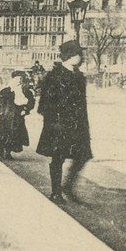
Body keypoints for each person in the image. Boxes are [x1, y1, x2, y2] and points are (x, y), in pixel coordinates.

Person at [36, 40, 91, 204]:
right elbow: (44, 103)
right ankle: (56, 192)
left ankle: (67, 186)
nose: (81, 57)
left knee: (83, 156)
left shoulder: (79, 76)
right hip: (59, 124)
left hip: (78, 124)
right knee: (58, 158)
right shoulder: (54, 75)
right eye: (78, 54)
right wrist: (54, 121)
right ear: (70, 56)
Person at [0, 71, 35, 160]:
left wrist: (26, 110)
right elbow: (0, 101)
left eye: (21, 80)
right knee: (3, 133)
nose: (19, 81)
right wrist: (1, 110)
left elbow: (31, 102)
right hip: (6, 116)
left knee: (15, 134)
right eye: (17, 79)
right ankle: (2, 149)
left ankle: (8, 152)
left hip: (18, 116)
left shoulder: (26, 92)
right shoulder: (6, 91)